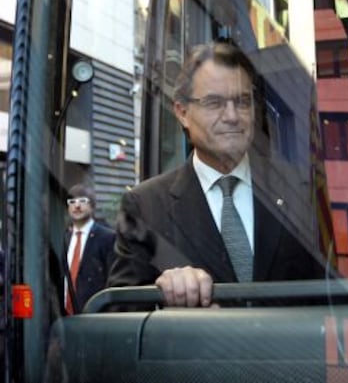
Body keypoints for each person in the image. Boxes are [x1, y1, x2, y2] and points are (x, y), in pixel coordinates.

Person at [108, 41, 325, 308]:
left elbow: (330, 298)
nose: (232, 116)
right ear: (183, 113)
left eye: (242, 101)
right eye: (214, 103)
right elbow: (119, 316)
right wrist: (162, 298)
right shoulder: (145, 206)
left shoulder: (297, 190)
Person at [63, 184, 115, 314]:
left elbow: (112, 280)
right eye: (72, 202)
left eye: (82, 201)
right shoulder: (63, 237)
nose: (77, 206)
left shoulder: (107, 237)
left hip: (93, 315)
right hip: (63, 316)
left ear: (92, 206)